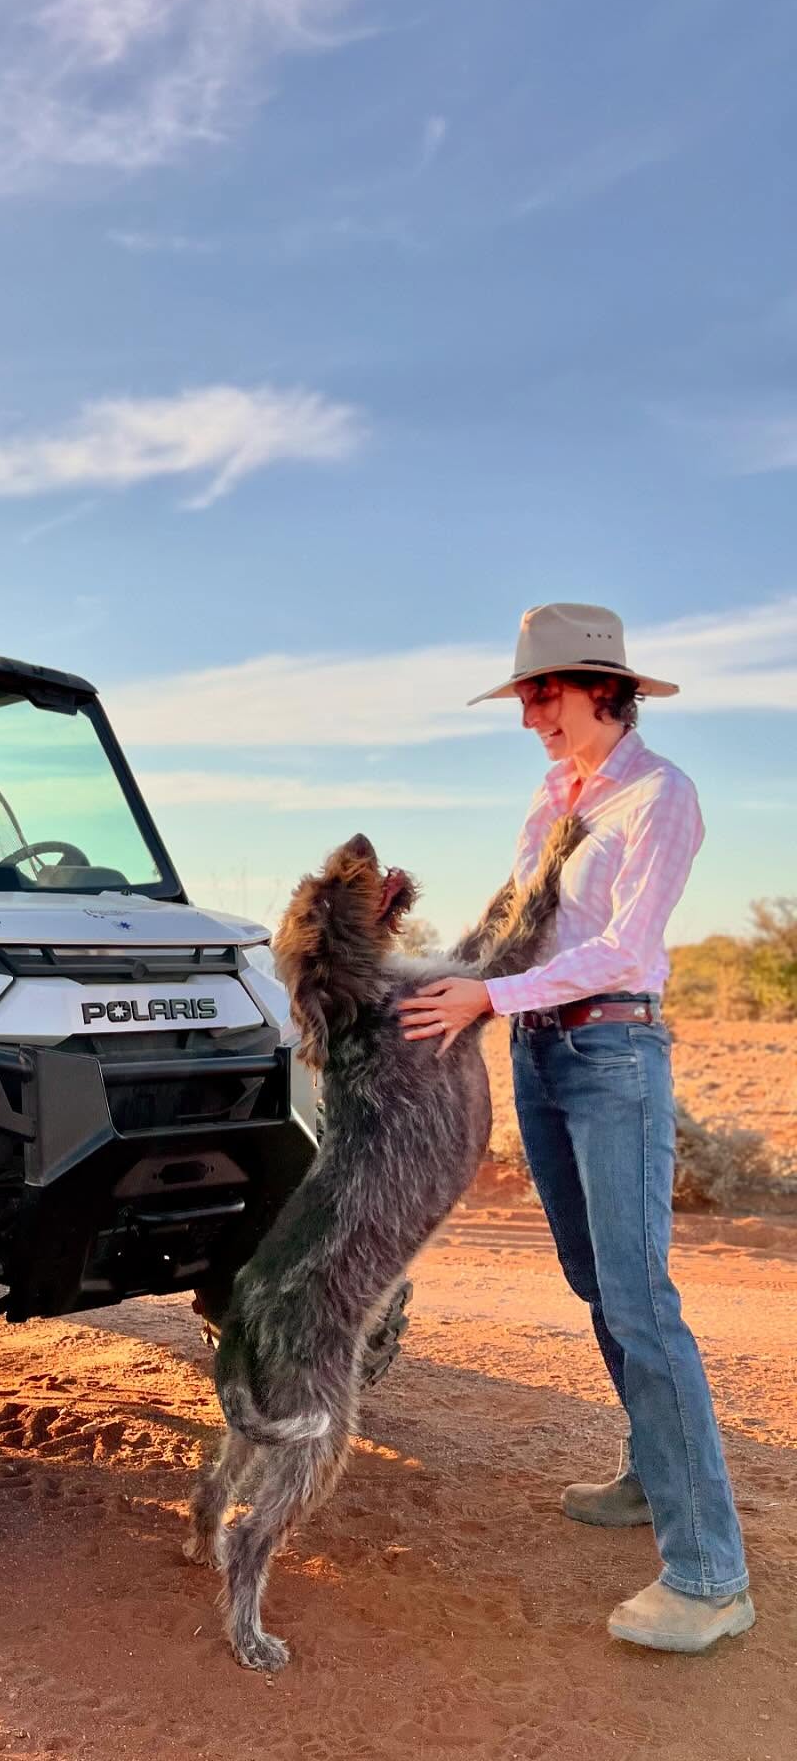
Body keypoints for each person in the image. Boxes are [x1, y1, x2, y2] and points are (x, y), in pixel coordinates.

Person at [397, 602, 754, 1655]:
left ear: (605, 686)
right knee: (596, 1281)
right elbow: (513, 927)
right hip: (543, 1054)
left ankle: (709, 1576)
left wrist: (484, 1002)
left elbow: (622, 949)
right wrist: (428, 979)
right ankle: (651, 1474)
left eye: (540, 695)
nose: (528, 718)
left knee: (642, 1301)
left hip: (612, 1058)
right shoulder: (556, 797)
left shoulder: (660, 796)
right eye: (524, 698)